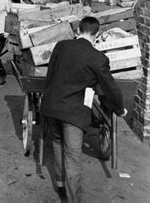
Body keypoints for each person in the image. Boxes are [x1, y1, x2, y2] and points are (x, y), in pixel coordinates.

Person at [40, 16, 126, 202]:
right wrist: (119, 109)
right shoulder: (98, 58)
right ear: (97, 34)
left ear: (78, 30)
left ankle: (60, 183)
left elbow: (50, 76)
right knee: (73, 155)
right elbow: (110, 87)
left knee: (57, 143)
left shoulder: (61, 46)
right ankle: (73, 200)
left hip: (52, 106)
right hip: (74, 113)